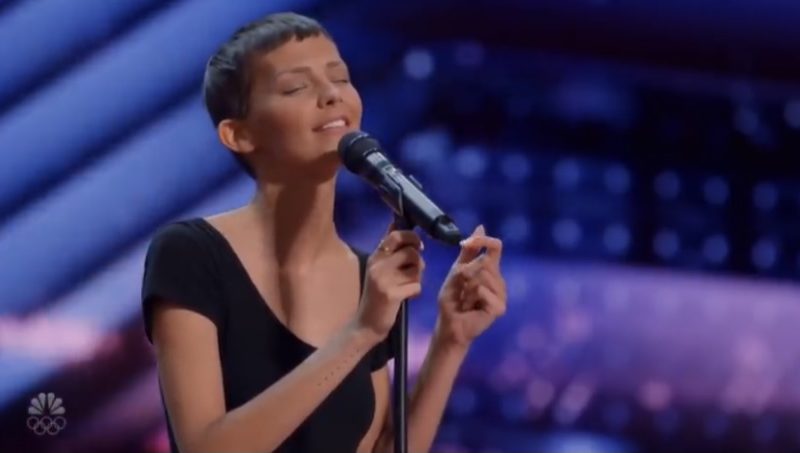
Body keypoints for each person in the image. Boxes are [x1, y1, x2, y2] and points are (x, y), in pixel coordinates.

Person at [141, 11, 507, 453]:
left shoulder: (367, 276)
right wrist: (360, 332)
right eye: (297, 87)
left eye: (340, 79)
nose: (332, 95)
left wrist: (450, 341)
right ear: (238, 134)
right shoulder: (190, 254)